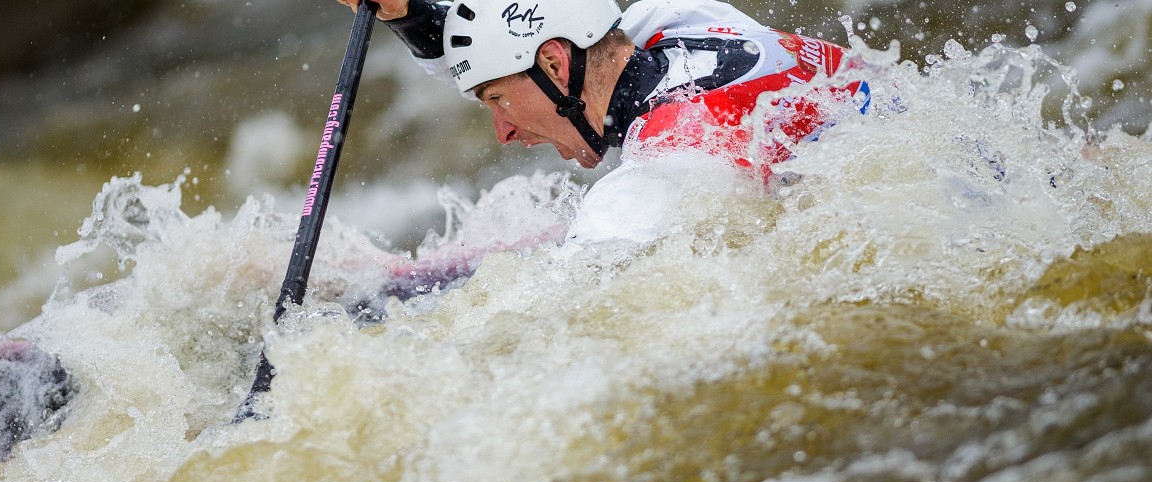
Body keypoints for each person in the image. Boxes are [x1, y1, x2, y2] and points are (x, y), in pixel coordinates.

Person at [336, 0, 867, 291]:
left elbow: (536, 315)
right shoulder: (683, 23)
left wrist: (380, 306)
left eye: (497, 100)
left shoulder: (663, 167)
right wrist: (405, 11)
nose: (503, 131)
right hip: (914, 141)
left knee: (530, 254)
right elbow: (487, 46)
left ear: (553, 64)